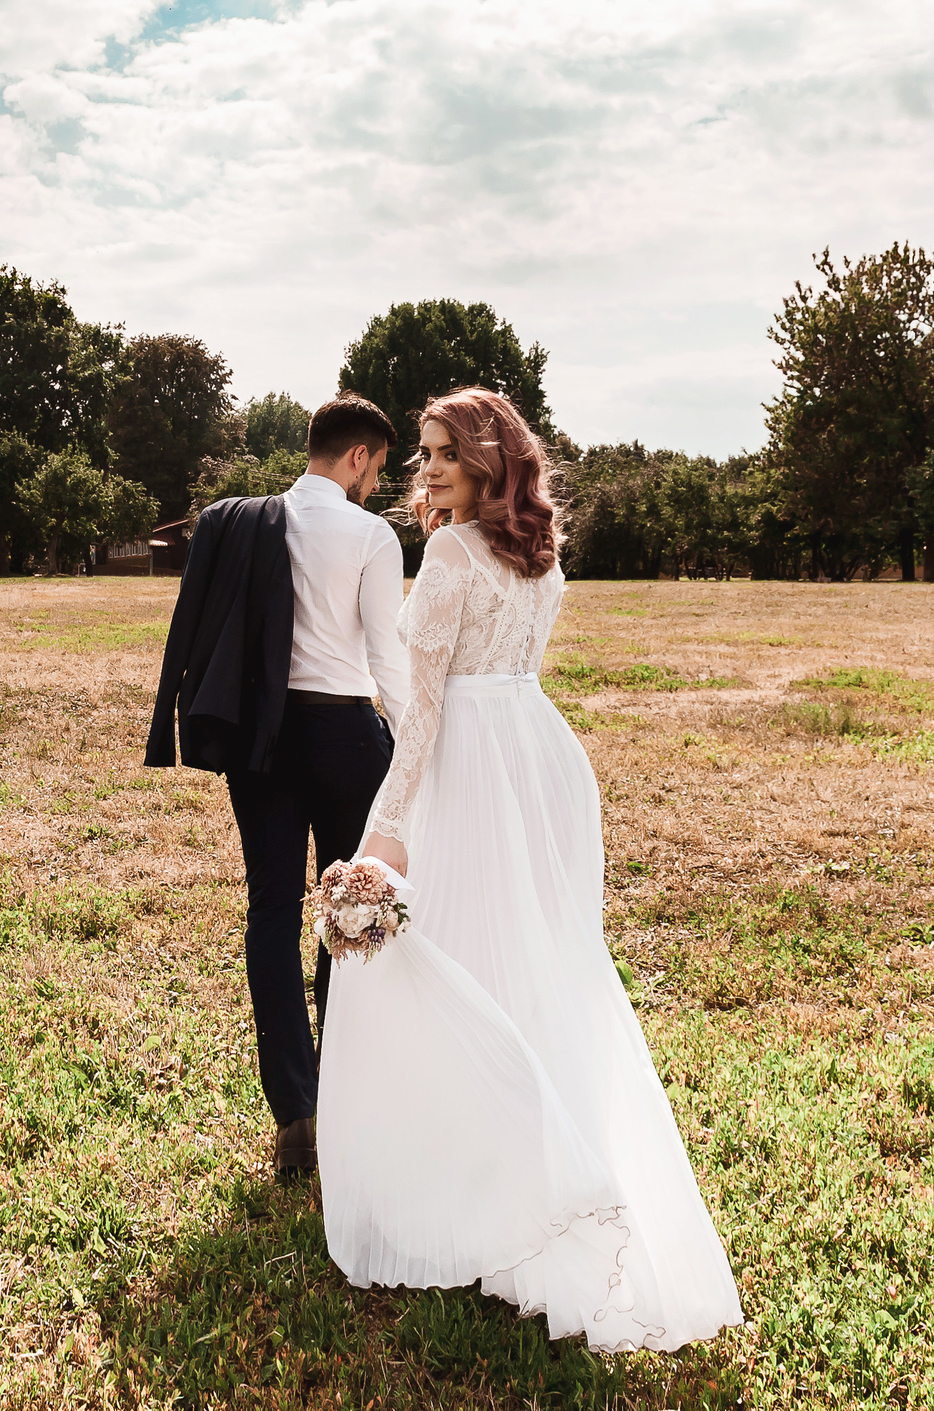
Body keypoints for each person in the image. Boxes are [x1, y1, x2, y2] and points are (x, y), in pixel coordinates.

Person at [316, 386, 742, 1353]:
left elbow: (425, 710)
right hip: (540, 759)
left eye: (443, 455)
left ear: (486, 460)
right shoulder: (540, 555)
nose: (428, 471)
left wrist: (386, 830)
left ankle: (501, 1186)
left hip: (472, 767)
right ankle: (536, 1163)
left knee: (463, 958)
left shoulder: (451, 555)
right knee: (540, 963)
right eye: (423, 455)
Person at [147, 392, 409, 1181]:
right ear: (357, 456)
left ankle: (294, 1113)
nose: (374, 484)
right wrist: (413, 742)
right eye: (376, 468)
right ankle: (343, 1085)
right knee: (349, 908)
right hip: (344, 735)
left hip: (261, 734)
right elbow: (386, 656)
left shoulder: (241, 520)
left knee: (270, 908)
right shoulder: (370, 535)